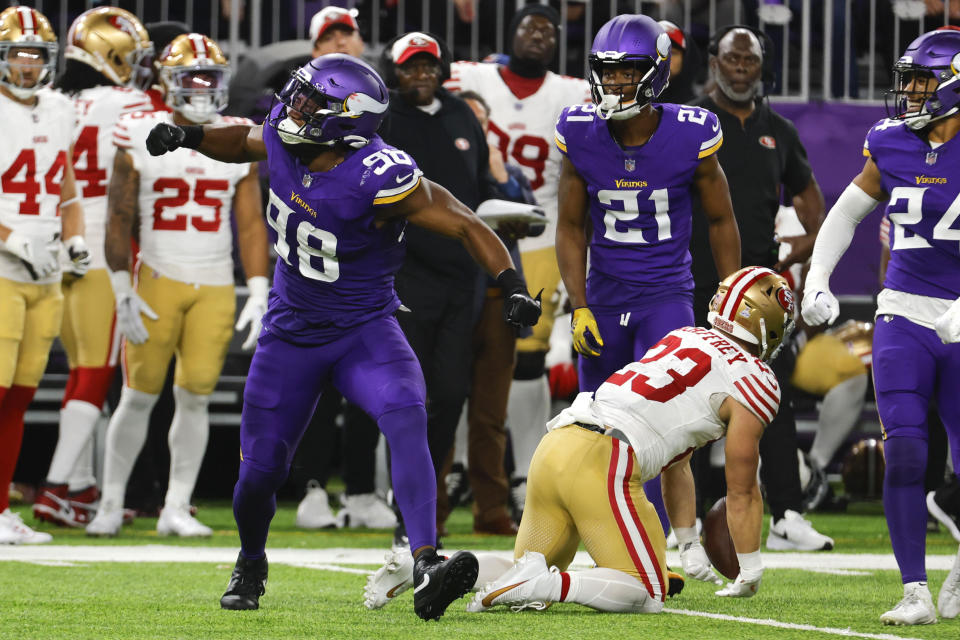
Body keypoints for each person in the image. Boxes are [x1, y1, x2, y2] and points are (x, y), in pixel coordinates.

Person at [144, 54, 541, 619]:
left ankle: (426, 560)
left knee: (407, 410)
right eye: (300, 95)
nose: (294, 106)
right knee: (259, 474)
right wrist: (188, 136)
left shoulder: (380, 175)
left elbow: (466, 223)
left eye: (311, 102)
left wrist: (511, 283)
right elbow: (242, 141)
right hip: (290, 334)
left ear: (345, 121)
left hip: (363, 329)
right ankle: (251, 559)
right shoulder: (286, 136)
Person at [365, 266, 794, 613]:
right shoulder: (754, 378)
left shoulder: (685, 337)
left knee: (527, 561)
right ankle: (542, 584)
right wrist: (750, 566)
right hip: (604, 460)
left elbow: (677, 460)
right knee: (646, 590)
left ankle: (424, 567)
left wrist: (689, 543)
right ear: (767, 323)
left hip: (558, 443)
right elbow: (741, 488)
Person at [555, 14, 741, 537]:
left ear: (656, 71)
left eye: (627, 71)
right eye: (606, 72)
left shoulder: (691, 133)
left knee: (664, 428)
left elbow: (721, 218)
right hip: (605, 299)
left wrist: (731, 293)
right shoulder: (579, 130)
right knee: (596, 427)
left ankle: (672, 543)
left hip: (665, 295)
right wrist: (579, 302)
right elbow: (570, 225)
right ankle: (604, 537)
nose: (614, 83)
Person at [801, 28, 960, 625]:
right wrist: (818, 277)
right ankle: (915, 588)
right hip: (903, 311)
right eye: (910, 80)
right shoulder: (891, 142)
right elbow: (845, 214)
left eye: (922, 80)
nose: (910, 92)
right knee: (906, 451)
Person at [84, 33, 269, 538]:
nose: (203, 87)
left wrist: (257, 288)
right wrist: (122, 287)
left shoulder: (236, 135)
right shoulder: (138, 128)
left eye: (212, 77)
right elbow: (118, 218)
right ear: (170, 80)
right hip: (157, 279)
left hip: (211, 282)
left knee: (196, 397)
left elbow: (251, 224)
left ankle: (177, 506)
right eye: (193, 77)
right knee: (138, 396)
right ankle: (111, 501)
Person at [687, 26, 834, 552]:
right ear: (714, 62)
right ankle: (697, 519)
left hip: (757, 291)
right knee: (696, 397)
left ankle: (788, 514)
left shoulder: (779, 129)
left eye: (751, 58)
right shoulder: (692, 121)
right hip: (695, 277)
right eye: (734, 58)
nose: (742, 67)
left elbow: (813, 202)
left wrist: (803, 249)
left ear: (761, 64)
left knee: (771, 397)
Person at [445, 4, 590, 511]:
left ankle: (527, 471)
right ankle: (458, 466)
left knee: (527, 362)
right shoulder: (472, 76)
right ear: (511, 33)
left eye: (549, 30)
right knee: (458, 360)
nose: (540, 35)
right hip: (470, 236)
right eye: (530, 26)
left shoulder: (572, 92)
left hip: (538, 237)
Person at [378, 31, 506, 538]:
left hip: (462, 278)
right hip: (404, 274)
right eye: (410, 68)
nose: (421, 75)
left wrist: (502, 211)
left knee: (452, 393)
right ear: (395, 73)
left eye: (429, 66)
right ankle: (408, 511)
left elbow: (482, 186)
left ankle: (425, 505)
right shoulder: (382, 119)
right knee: (411, 396)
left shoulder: (461, 116)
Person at [32, 6, 155, 528]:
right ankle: (58, 486)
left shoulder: (53, 101)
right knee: (95, 370)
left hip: (55, 242)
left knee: (78, 367)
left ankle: (78, 485)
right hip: (104, 243)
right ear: (111, 55)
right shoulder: (132, 103)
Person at [292, 2, 392, 533]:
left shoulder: (374, 113)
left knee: (362, 385)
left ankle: (358, 489)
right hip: (308, 266)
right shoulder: (292, 114)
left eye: (346, 35)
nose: (339, 43)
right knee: (311, 385)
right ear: (313, 51)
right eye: (328, 36)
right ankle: (311, 487)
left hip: (357, 269)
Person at [0, 5, 89, 544]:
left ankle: (1, 508)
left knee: (20, 395)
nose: (28, 65)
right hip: (5, 266)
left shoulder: (59, 108)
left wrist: (74, 234)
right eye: (18, 54)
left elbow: (67, 187)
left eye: (36, 55)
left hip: (46, 270)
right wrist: (12, 238)